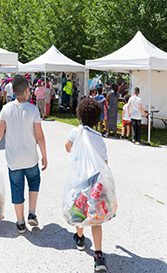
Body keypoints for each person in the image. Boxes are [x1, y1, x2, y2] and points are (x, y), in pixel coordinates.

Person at [0, 75, 48, 234]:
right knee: (34, 181)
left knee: (17, 188)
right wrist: (44, 155)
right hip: (31, 158)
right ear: (28, 91)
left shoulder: (6, 109)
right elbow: (40, 136)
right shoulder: (33, 109)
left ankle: (20, 222)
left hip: (13, 160)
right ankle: (32, 212)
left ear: (13, 91)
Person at [64, 98, 108, 272]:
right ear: (97, 118)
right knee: (95, 220)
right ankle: (98, 256)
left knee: (79, 211)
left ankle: (80, 239)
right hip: (95, 183)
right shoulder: (99, 138)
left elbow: (67, 147)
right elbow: (105, 162)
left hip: (78, 179)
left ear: (79, 115)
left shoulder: (76, 133)